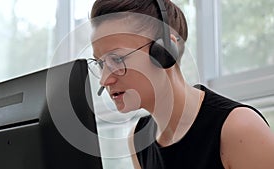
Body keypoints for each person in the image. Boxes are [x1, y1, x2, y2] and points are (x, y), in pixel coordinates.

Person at [88, 0, 274, 168]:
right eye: (101, 63)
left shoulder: (239, 128)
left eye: (117, 59)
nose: (105, 80)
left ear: (164, 51)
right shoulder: (138, 139)